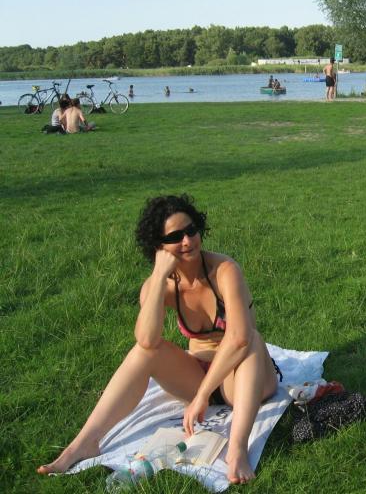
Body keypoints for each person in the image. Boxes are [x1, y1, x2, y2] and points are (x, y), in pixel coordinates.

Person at [36, 194, 279, 484]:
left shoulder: (224, 270)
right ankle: (84, 444)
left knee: (251, 337)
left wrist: (202, 396)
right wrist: (160, 274)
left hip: (242, 380)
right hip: (196, 376)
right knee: (144, 352)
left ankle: (237, 450)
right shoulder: (160, 284)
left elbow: (238, 338)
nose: (187, 241)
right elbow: (147, 340)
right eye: (175, 237)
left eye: (191, 230)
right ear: (158, 246)